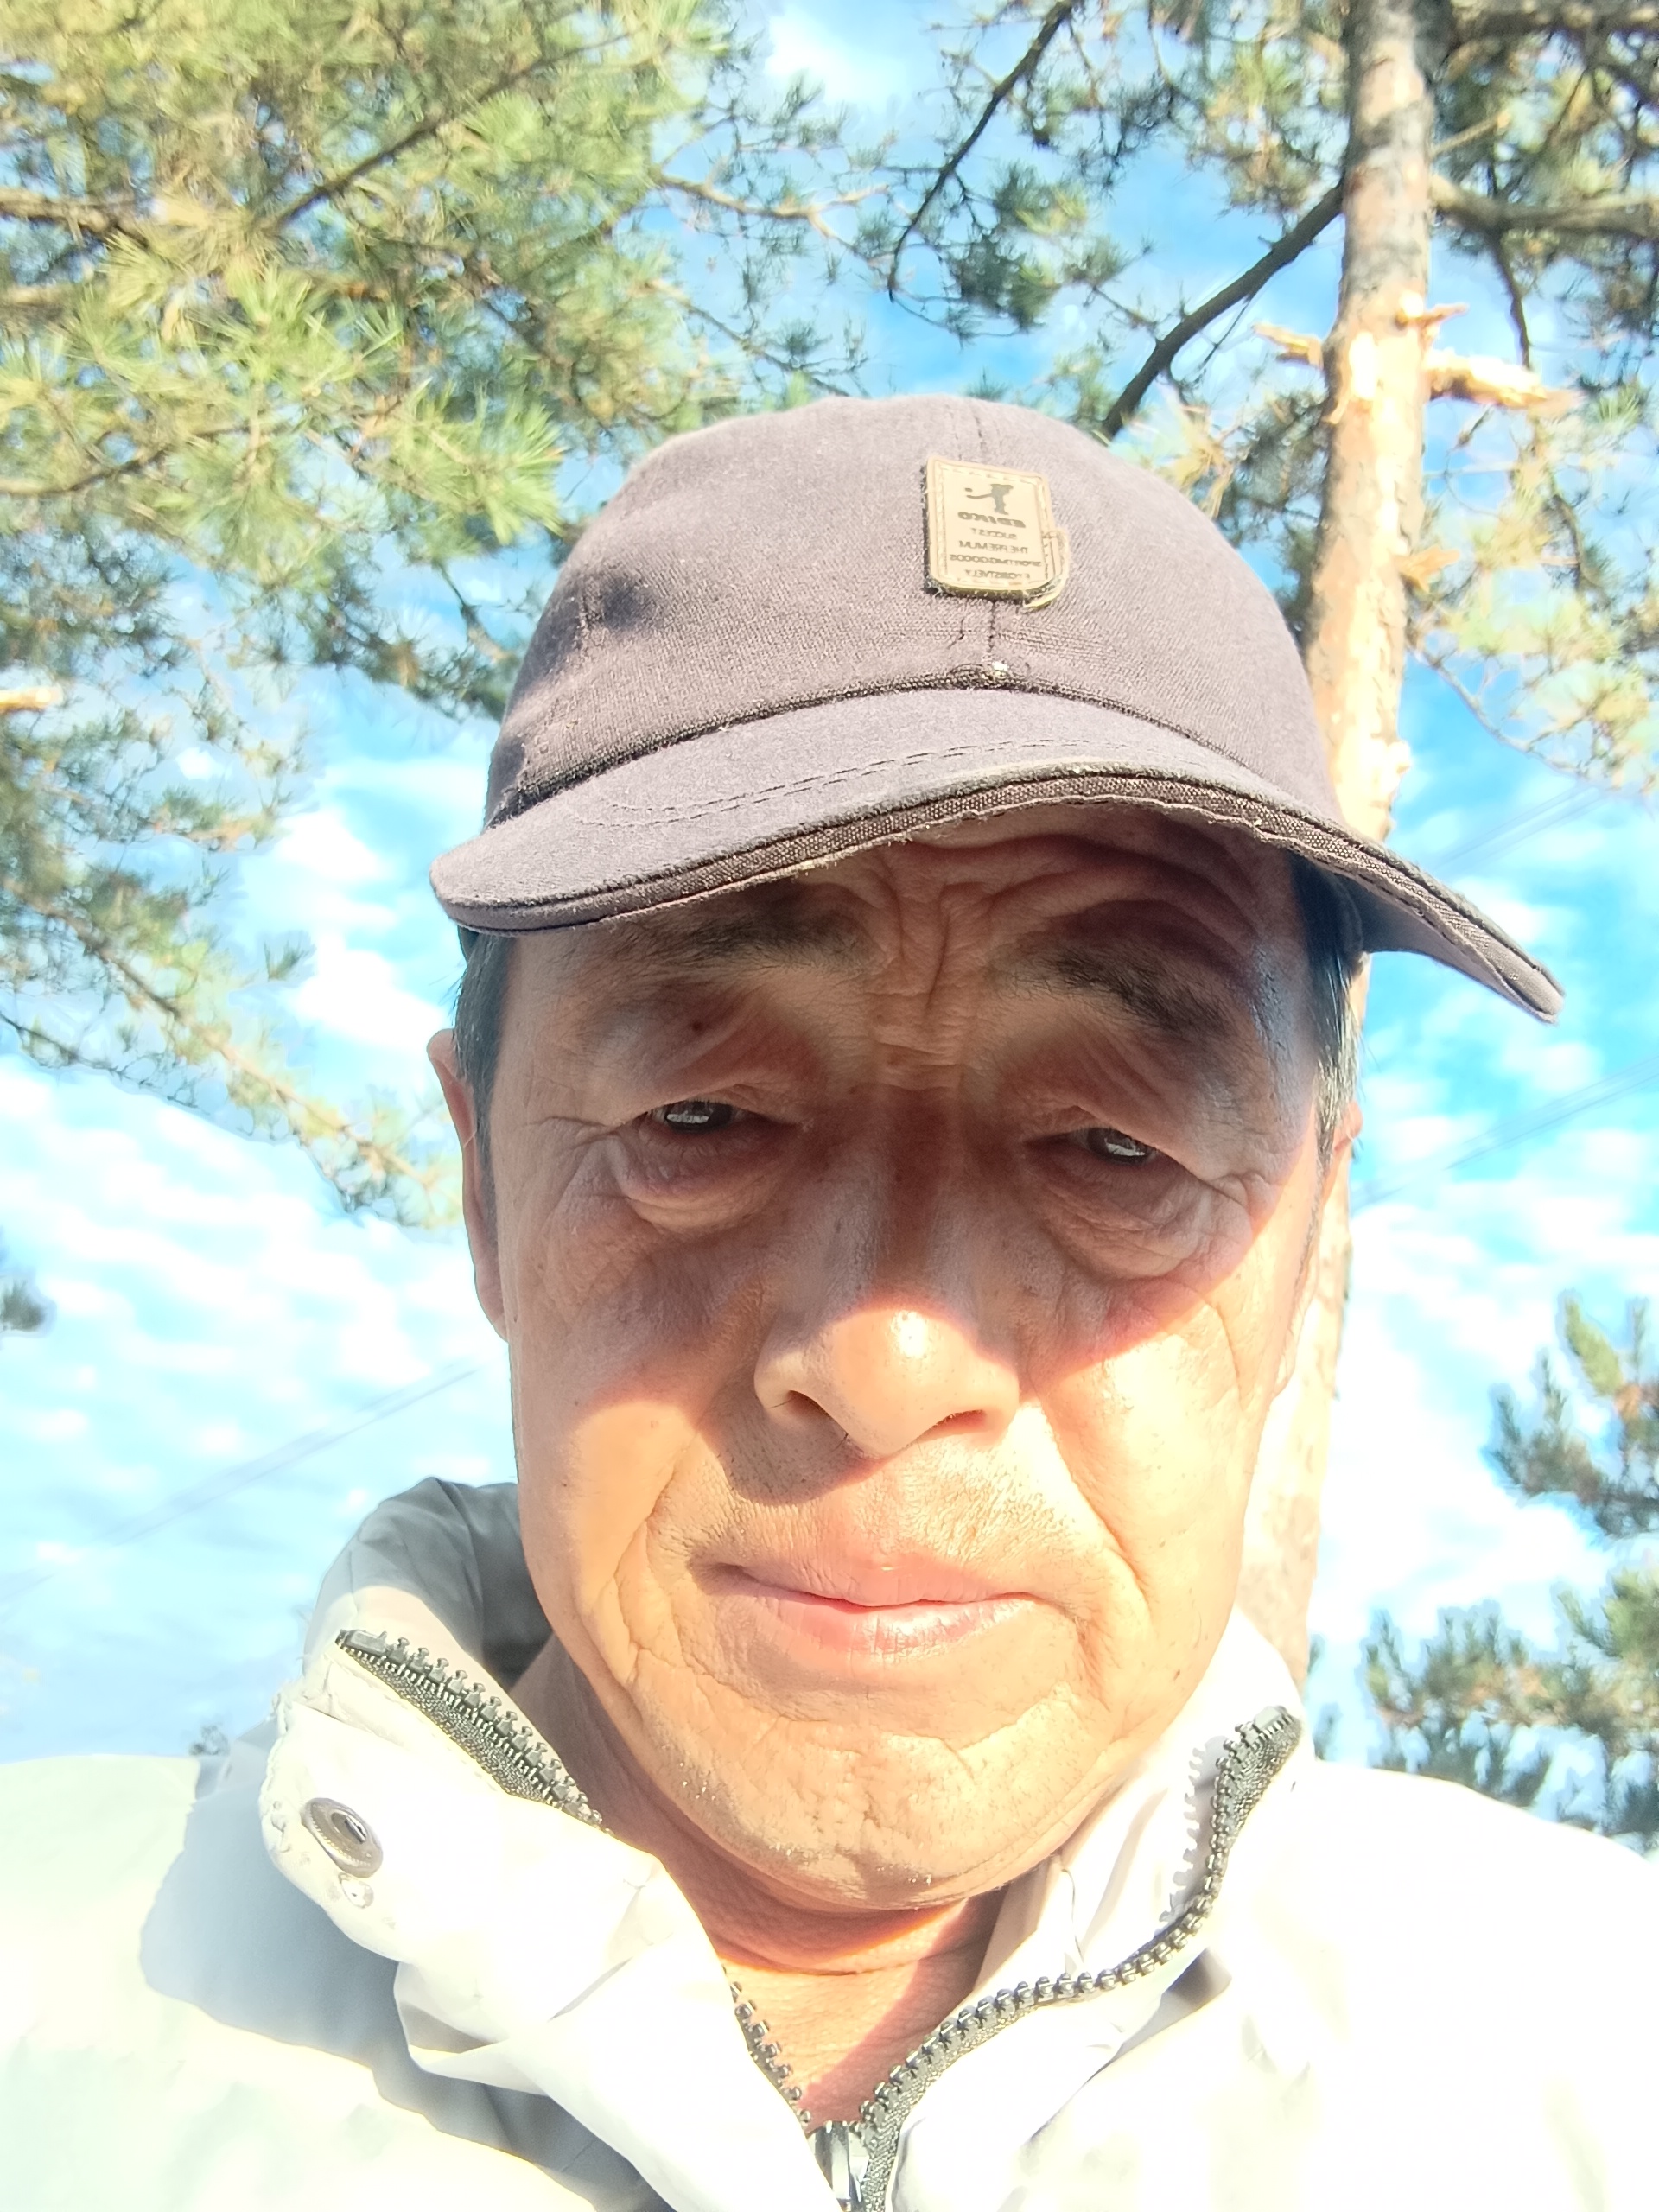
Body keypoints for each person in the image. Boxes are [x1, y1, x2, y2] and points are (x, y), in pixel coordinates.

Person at [3, 396, 1652, 2212]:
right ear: (483, 1185)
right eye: (701, 1117)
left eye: (1115, 1145)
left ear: (1304, 1246)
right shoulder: (40, 2021)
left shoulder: (1597, 2060)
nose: (890, 1353)